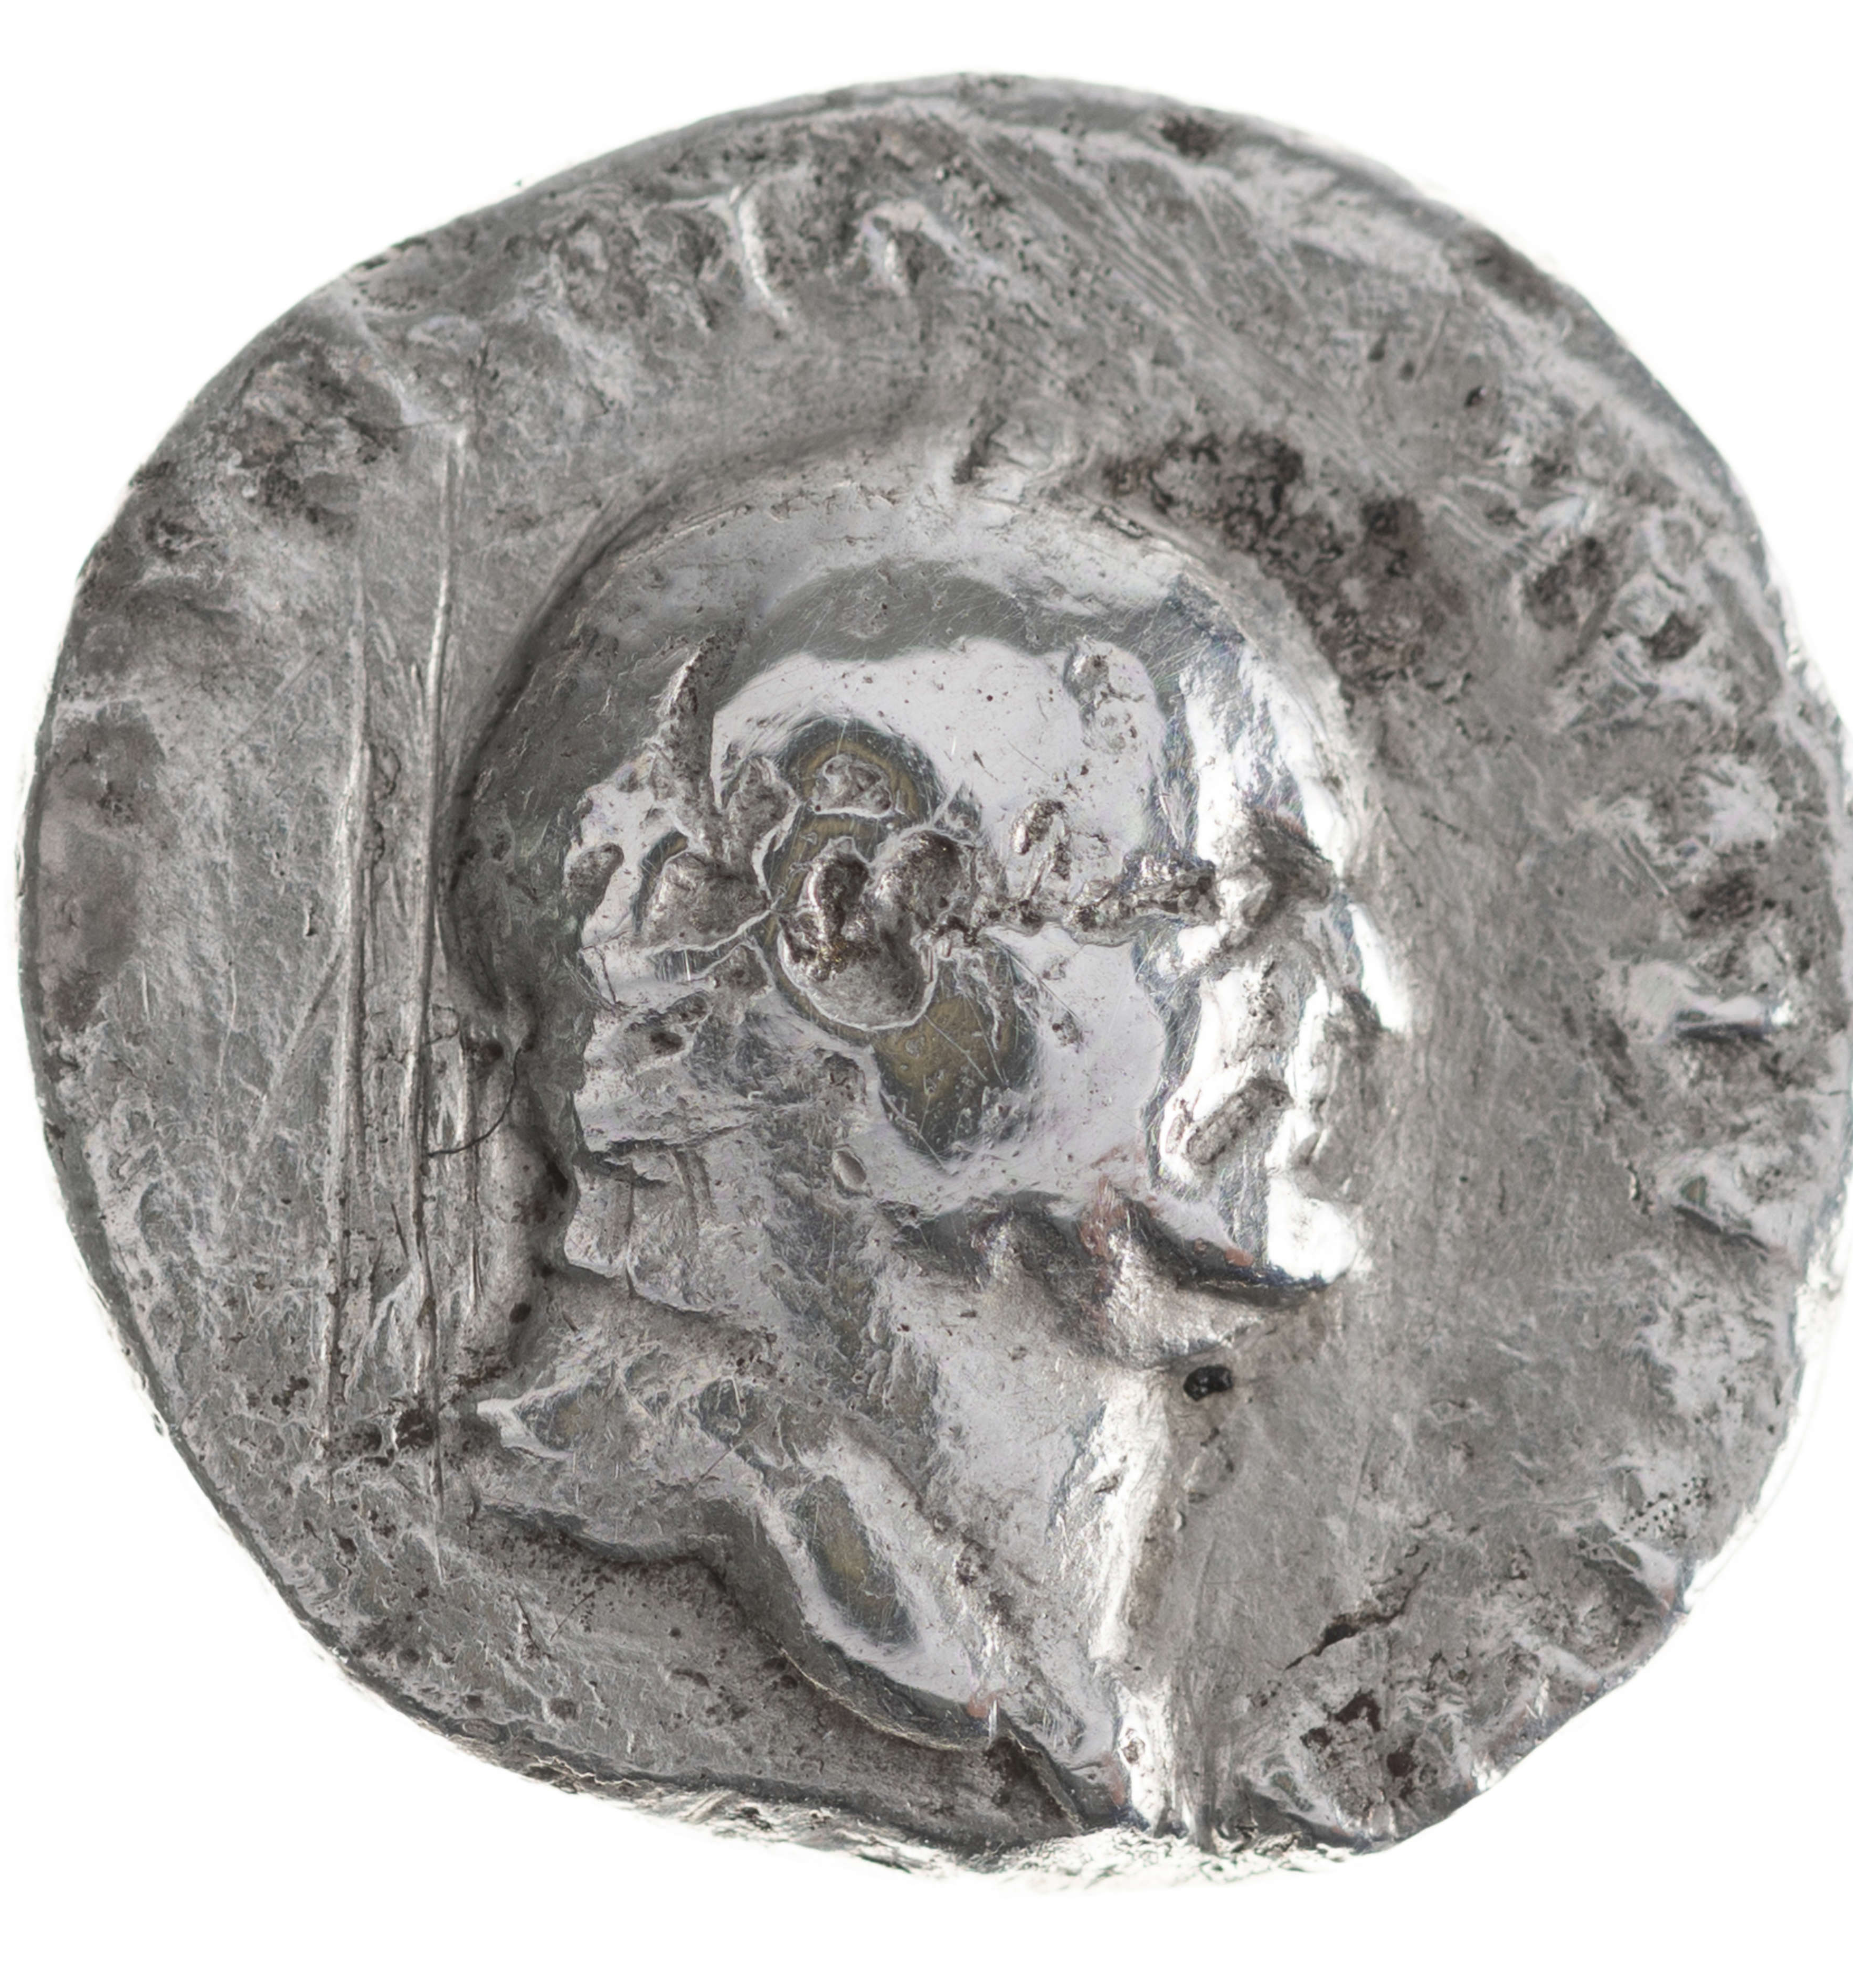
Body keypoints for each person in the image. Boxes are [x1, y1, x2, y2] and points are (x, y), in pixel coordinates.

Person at [449, 480, 1405, 1827]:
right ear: (848, 938)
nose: (1359, 996)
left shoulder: (1052, 1591)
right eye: (1228, 902)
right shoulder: (726, 1493)